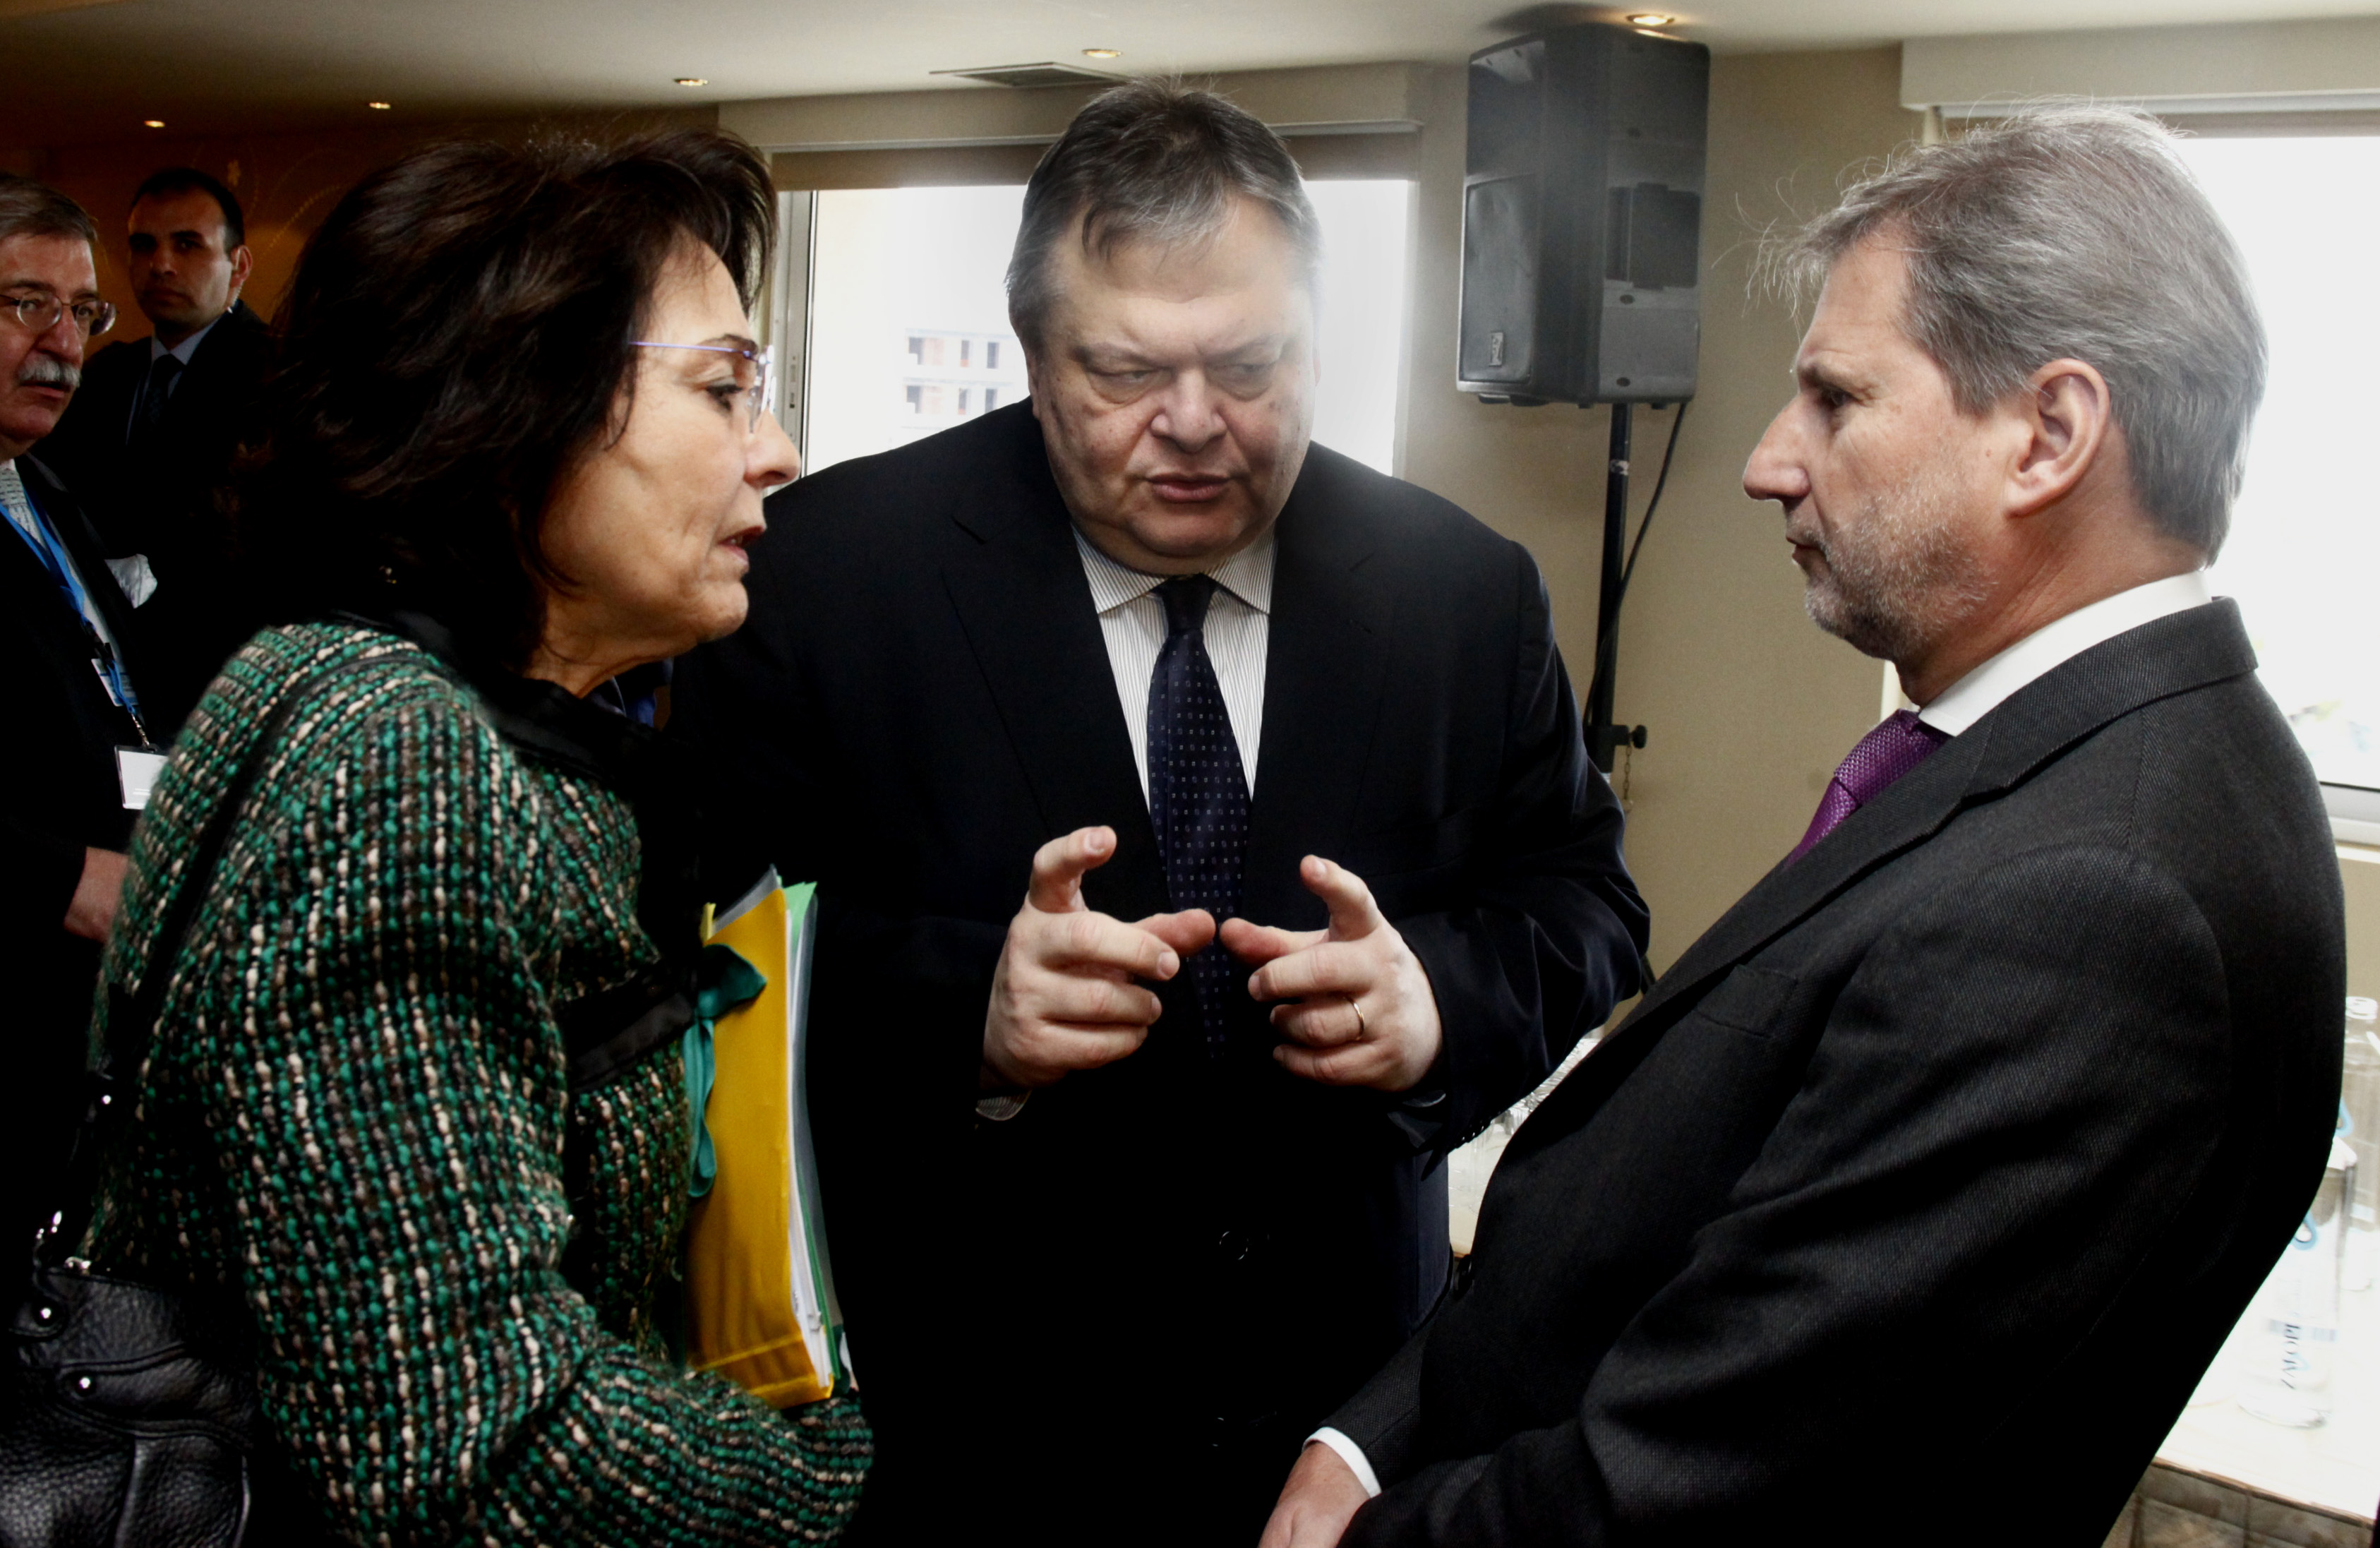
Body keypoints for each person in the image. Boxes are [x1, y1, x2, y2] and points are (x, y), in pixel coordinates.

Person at [1262, 104, 2345, 1548]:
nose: (1771, 461)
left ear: (2049, 434)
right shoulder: (2050, 763)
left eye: (1835, 400)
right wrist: (1365, 1435)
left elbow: (1710, 1492)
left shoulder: (2097, 900)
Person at [671, 79, 1649, 1545]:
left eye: (1249, 366)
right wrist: (966, 1008)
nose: (1193, 426)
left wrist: (1436, 1003)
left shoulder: (1462, 589)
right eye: (1124, 371)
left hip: (1340, 1427)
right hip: (958, 1432)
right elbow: (692, 951)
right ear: (1032, 354)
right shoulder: (821, 578)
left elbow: (1587, 904)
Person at [74, 131, 870, 1542]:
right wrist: (837, 1485)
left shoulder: (357, 687)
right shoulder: (395, 762)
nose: (778, 451)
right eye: (723, 388)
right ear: (514, 411)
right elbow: (470, 1442)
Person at [0, 174, 145, 1244]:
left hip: (77, 1027)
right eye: (25, 305)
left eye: (82, 312)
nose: (63, 345)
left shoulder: (46, 487)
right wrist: (68, 878)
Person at [44, 167, 273, 734]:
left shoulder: (279, 378)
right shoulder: (102, 376)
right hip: (108, 682)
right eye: (145, 245)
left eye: (188, 244)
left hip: (225, 687)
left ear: (239, 264)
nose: (162, 264)